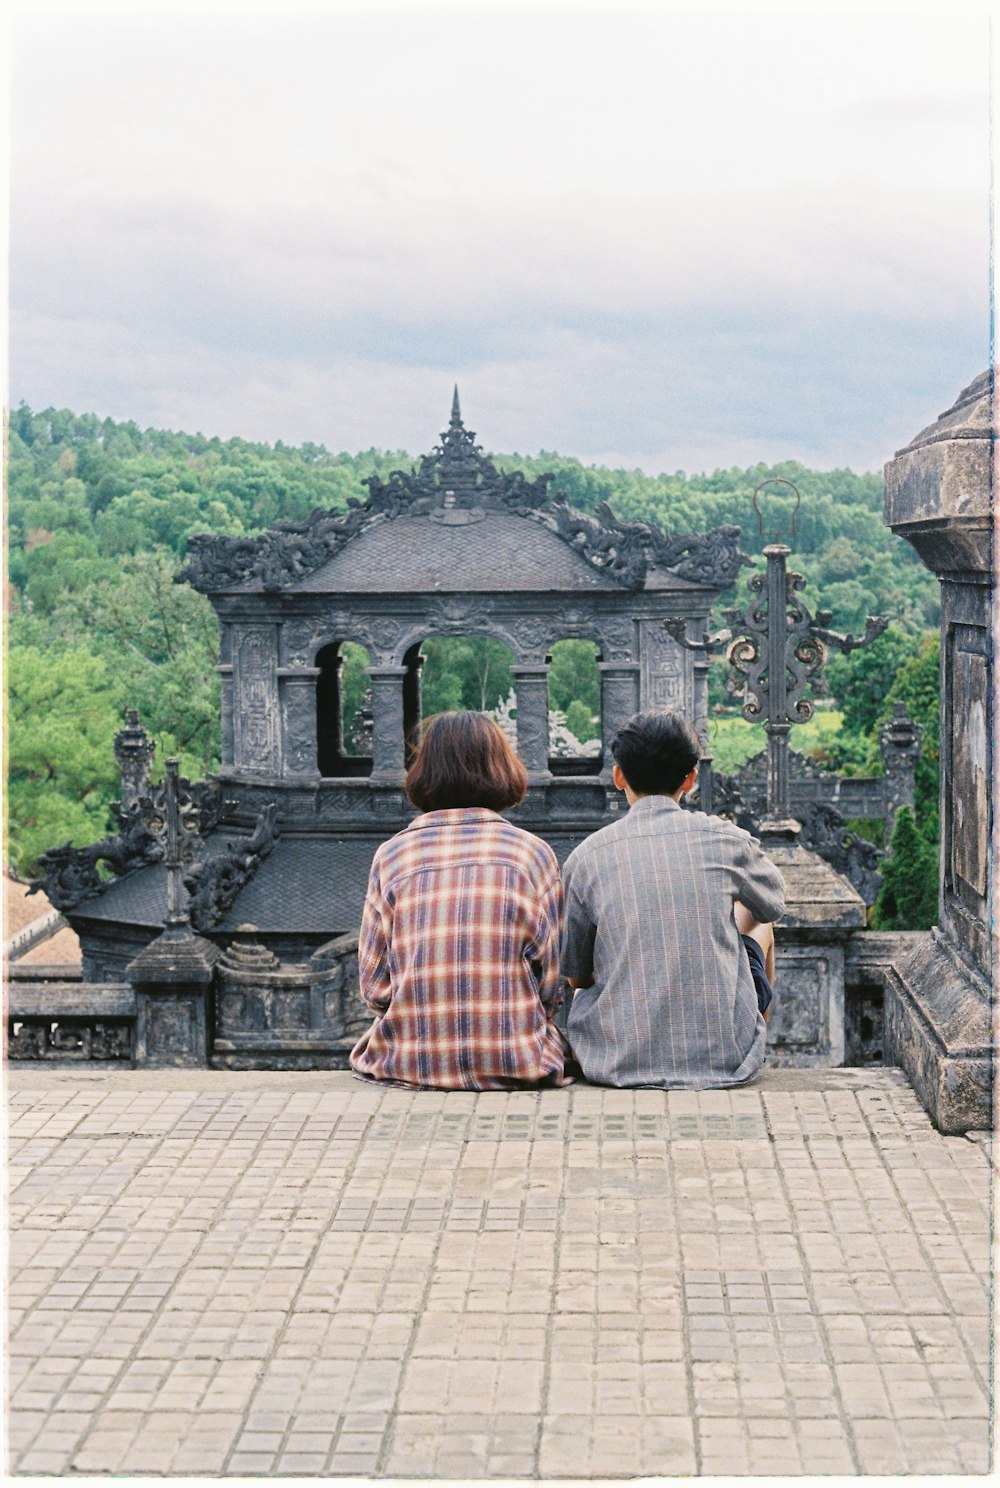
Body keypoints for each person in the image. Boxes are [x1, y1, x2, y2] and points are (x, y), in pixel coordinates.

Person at [560, 709, 784, 1089]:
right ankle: (747, 1040)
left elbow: (576, 974)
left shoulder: (587, 857)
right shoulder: (726, 840)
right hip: (723, 1059)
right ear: (691, 779)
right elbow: (773, 904)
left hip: (613, 1059)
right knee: (758, 920)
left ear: (618, 776)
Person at [350, 710, 568, 1090]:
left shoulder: (392, 856)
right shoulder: (532, 855)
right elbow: (551, 983)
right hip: (518, 1059)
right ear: (503, 769)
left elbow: (374, 987)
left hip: (407, 1060)